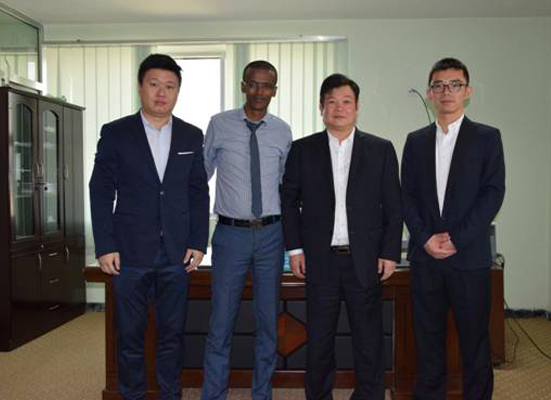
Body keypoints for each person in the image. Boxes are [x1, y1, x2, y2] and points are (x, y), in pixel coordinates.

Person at [89, 53, 209, 400]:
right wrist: (105, 245)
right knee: (129, 335)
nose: (161, 93)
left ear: (178, 92)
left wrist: (198, 241)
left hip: (176, 253)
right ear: (140, 87)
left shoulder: (190, 135)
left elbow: (198, 191)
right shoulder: (115, 133)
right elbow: (100, 190)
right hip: (129, 253)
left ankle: (171, 395)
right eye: (154, 84)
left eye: (169, 86)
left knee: (173, 335)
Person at [281, 73, 403, 400]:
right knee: (319, 341)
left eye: (346, 101)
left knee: (369, 341)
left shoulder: (380, 149)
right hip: (320, 261)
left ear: (357, 107)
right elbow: (289, 202)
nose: (339, 108)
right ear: (321, 107)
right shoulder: (302, 149)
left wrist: (390, 253)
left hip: (365, 260)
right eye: (331, 102)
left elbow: (394, 206)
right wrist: (295, 249)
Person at [401, 57, 505, 400]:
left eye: (454, 84)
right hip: (426, 259)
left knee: (475, 344)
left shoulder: (487, 138)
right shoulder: (415, 141)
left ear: (467, 91)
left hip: (469, 258)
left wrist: (457, 239)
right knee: (427, 342)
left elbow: (493, 193)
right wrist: (425, 239)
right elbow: (406, 197)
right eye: (439, 85)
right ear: (430, 92)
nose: (446, 91)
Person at [201, 60, 292, 400]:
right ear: (243, 85)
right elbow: (200, 177)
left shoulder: (283, 131)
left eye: (266, 85)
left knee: (267, 323)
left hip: (271, 235)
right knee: (221, 322)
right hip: (230, 235)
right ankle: (214, 394)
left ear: (274, 91)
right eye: (253, 84)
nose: (258, 91)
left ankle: (261, 394)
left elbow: (287, 186)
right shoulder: (219, 124)